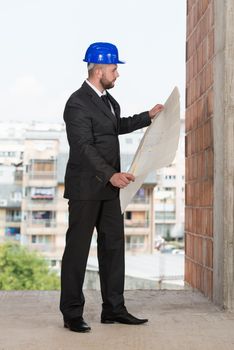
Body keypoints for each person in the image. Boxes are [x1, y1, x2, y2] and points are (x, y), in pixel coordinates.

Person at [60, 42, 164, 333]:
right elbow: (82, 147)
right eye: (114, 68)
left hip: (109, 189)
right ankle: (71, 313)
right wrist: (111, 175)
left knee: (113, 248)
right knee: (77, 252)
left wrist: (148, 116)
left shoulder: (108, 100)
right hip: (86, 190)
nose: (117, 74)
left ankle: (114, 309)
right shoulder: (77, 102)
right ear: (99, 69)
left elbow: (114, 126)